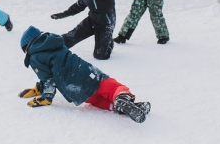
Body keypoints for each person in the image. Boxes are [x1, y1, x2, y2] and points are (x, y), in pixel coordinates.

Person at [17, 26, 151, 123]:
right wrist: (42, 91)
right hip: (89, 74)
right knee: (114, 89)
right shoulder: (54, 43)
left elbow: (48, 78)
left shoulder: (35, 57)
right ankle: (122, 99)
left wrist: (46, 96)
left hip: (77, 90)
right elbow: (49, 77)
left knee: (98, 101)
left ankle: (122, 107)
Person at [50, 0, 115, 60]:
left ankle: (109, 42)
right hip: (92, 20)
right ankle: (52, 45)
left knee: (100, 55)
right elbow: (77, 7)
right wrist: (62, 15)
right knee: (71, 36)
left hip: (105, 24)